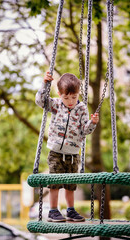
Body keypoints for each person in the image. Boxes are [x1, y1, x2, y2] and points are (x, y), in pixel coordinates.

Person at [35, 71, 99, 222]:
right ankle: (53, 211)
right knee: (55, 183)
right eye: (66, 97)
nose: (70, 101)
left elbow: (85, 130)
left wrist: (93, 124)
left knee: (70, 185)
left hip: (73, 153)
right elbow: (40, 101)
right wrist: (45, 83)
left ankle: (70, 210)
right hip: (56, 152)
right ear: (59, 94)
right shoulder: (56, 104)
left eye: (74, 97)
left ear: (78, 94)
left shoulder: (82, 108)